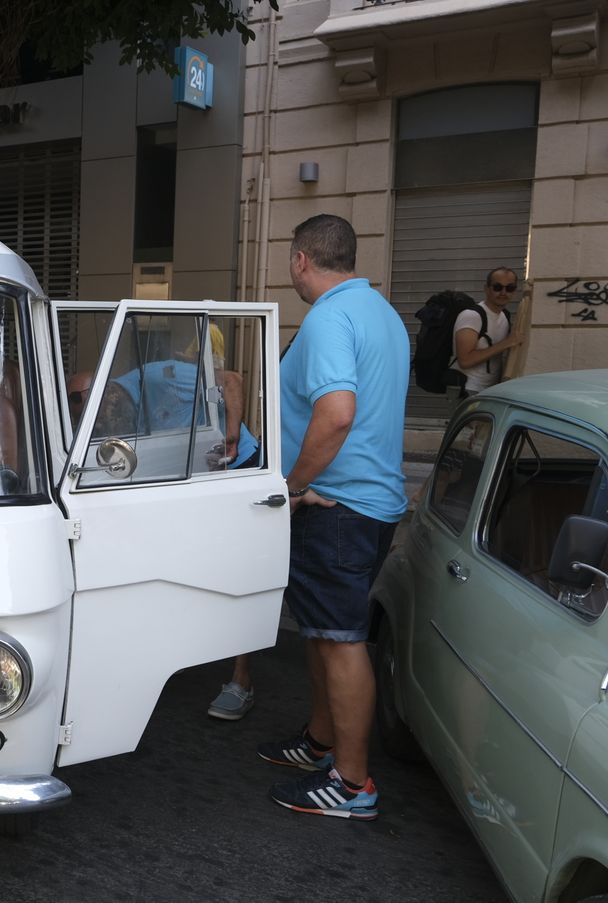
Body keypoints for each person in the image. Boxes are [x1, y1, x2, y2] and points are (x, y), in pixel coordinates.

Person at [258, 214, 407, 821]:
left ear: (300, 260)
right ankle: (319, 744)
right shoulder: (381, 312)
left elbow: (338, 413)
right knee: (325, 632)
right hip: (367, 505)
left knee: (343, 642)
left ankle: (351, 784)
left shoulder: (327, 318)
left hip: (337, 507)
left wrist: (293, 487)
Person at [452, 266, 523, 395]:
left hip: (490, 389)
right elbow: (465, 360)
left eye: (510, 288)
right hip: (468, 389)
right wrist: (506, 343)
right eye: (497, 287)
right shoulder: (472, 316)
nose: (503, 292)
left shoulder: (504, 316)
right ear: (486, 289)